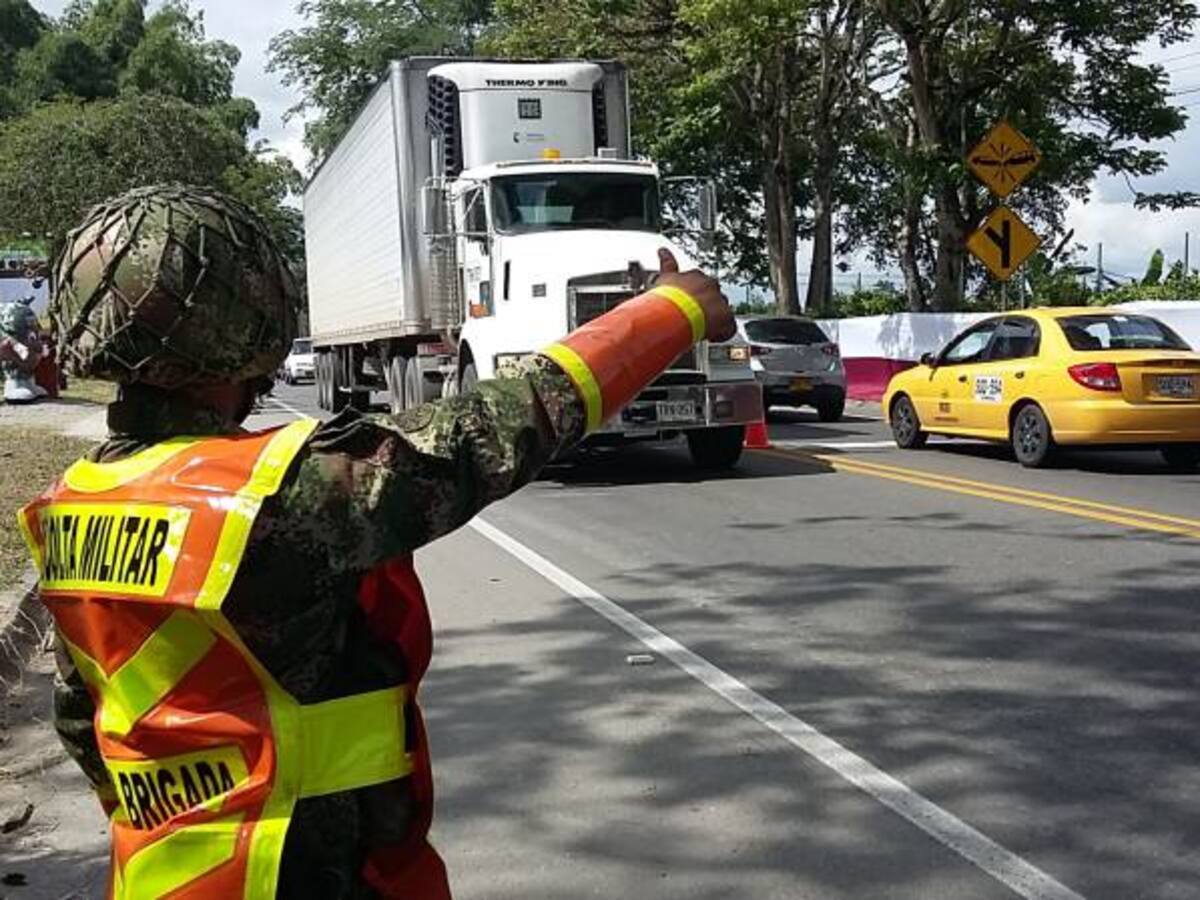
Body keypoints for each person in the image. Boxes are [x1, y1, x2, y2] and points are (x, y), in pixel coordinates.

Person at [17, 184, 735, 899]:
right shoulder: (270, 496)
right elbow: (485, 434)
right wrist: (670, 312)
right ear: (248, 318)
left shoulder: (70, 507)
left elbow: (81, 721)